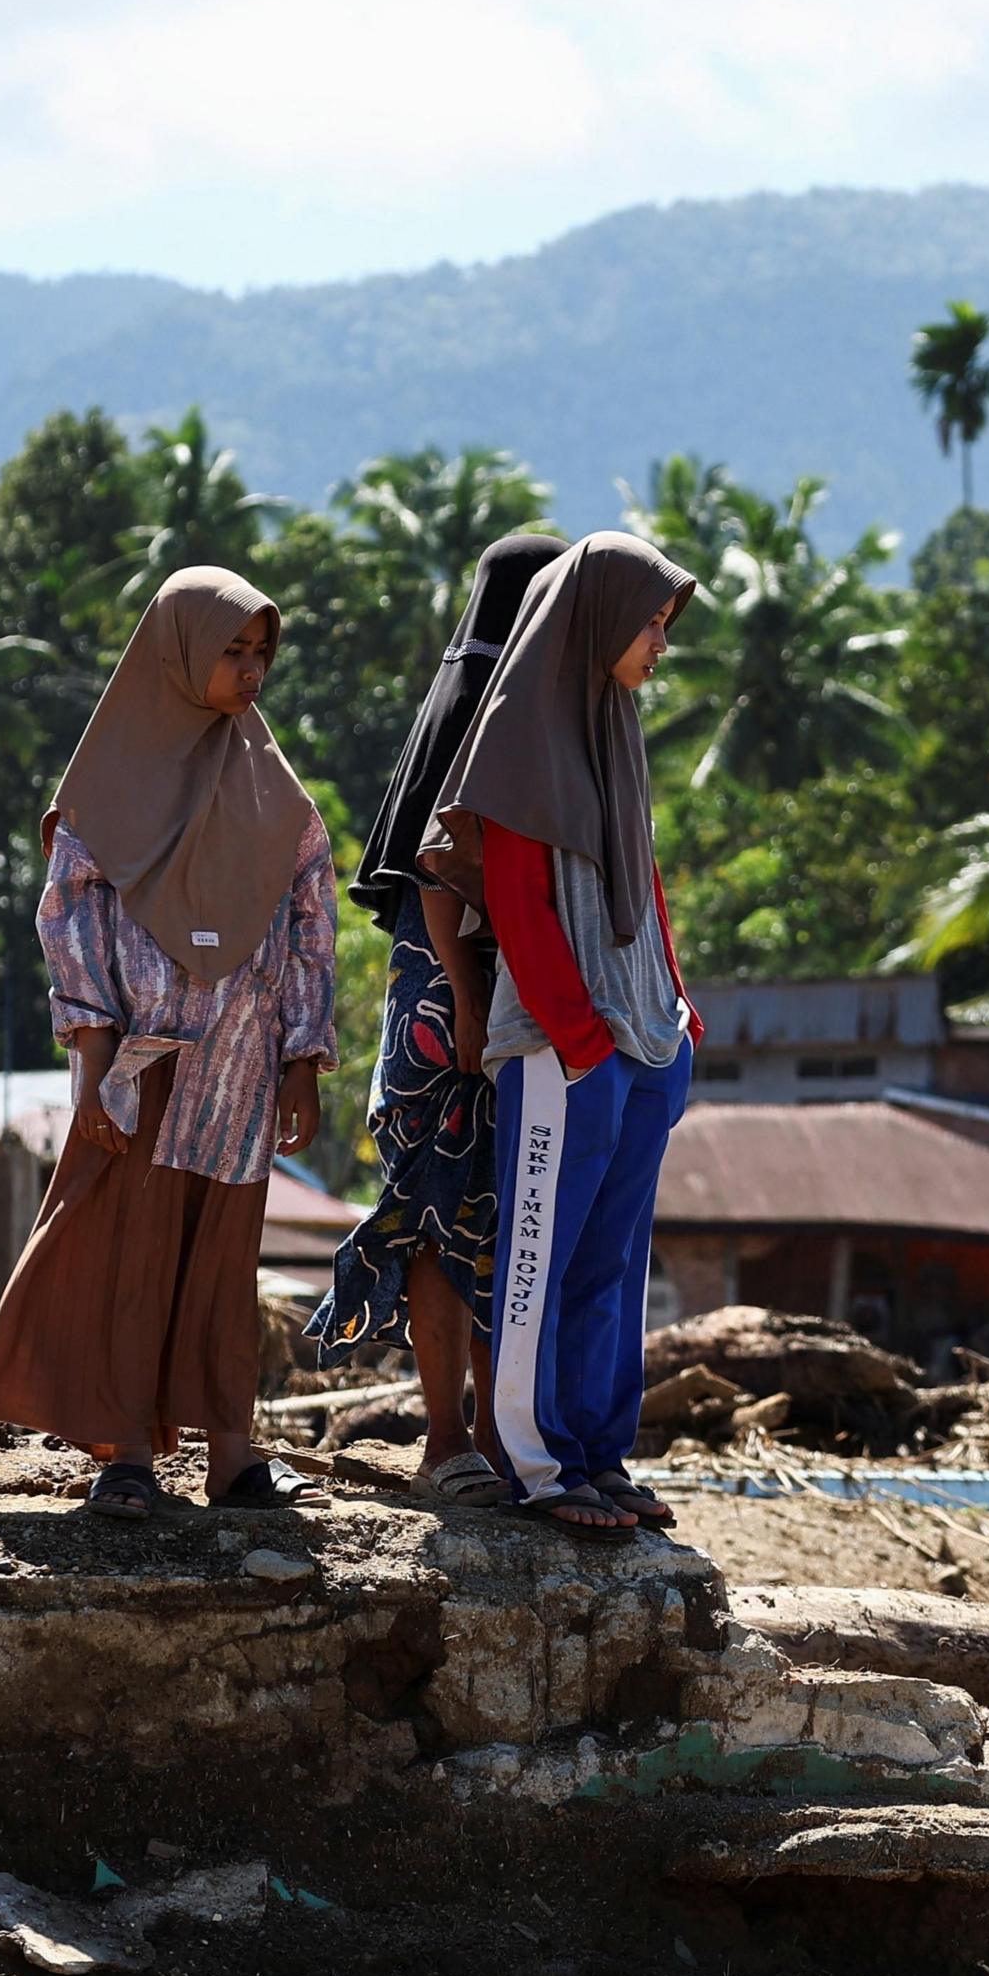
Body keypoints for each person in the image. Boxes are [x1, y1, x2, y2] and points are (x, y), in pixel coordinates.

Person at [0, 567, 338, 1520]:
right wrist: (91, 1064)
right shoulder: (106, 787)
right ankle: (126, 1453)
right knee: (127, 1255)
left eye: (262, 652)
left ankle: (232, 1455)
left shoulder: (275, 789)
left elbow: (311, 917)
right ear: (177, 652)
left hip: (241, 1073)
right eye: (232, 648)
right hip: (146, 1065)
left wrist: (303, 1057)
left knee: (225, 1262)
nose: (252, 668)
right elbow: (71, 923)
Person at [408, 532, 703, 1541]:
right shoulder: (527, 730)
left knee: (614, 1261)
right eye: (651, 622)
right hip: (561, 1039)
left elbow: (644, 876)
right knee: (540, 1253)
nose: (660, 643)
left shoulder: (613, 722)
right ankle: (535, 1462)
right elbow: (520, 904)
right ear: (598, 616)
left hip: (642, 1033)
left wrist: (673, 1002)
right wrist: (577, 1036)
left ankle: (596, 1450)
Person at [305, 534, 564, 1506]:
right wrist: (465, 1000)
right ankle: (453, 1442)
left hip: (464, 1003)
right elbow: (440, 873)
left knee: (470, 1218)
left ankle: (484, 1443)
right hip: (456, 1010)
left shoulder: (478, 701)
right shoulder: (491, 713)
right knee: (450, 1218)